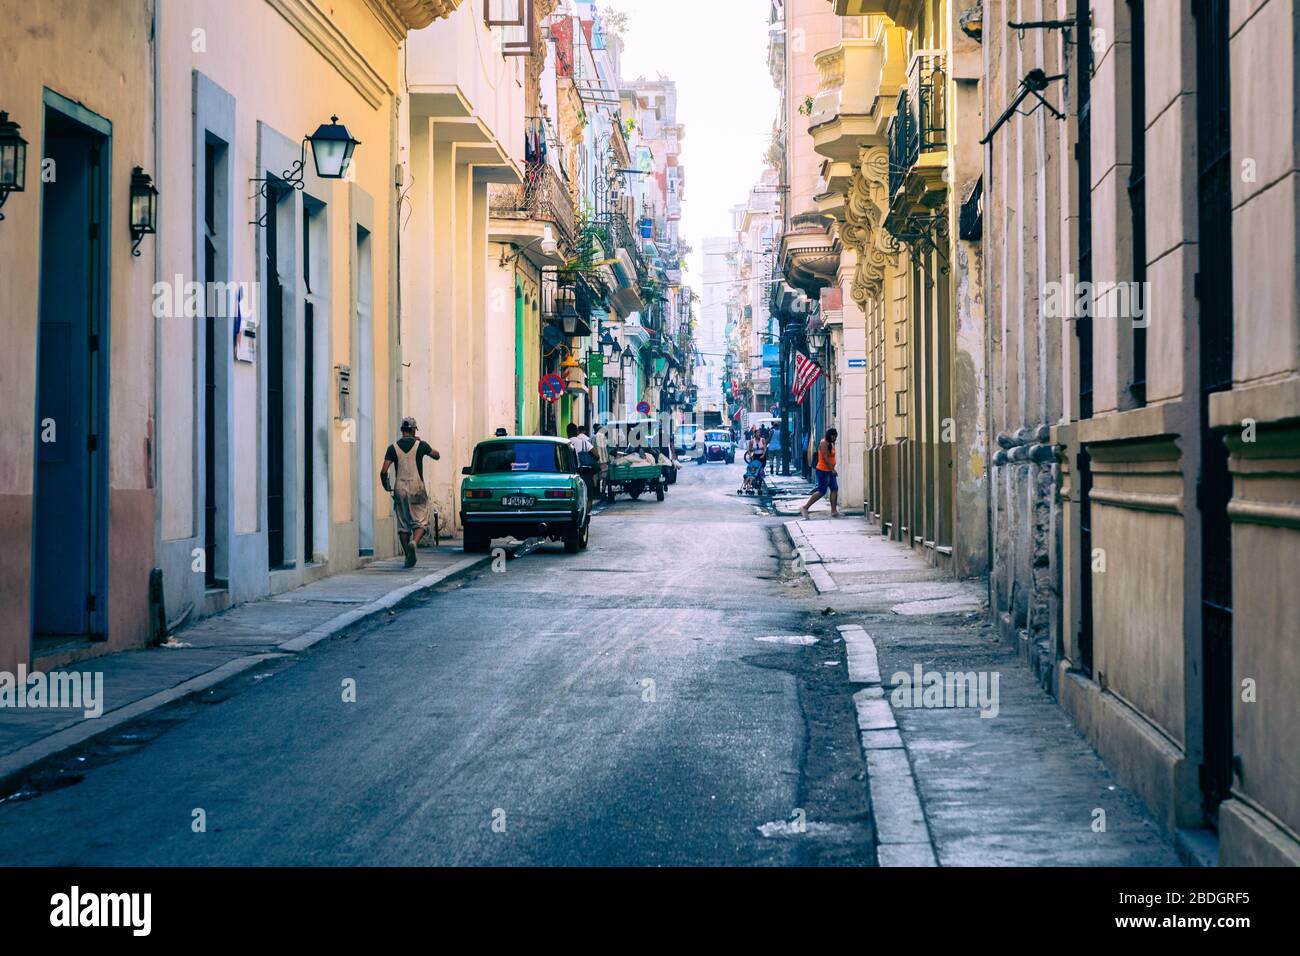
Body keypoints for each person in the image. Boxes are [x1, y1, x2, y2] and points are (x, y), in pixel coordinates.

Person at [380, 416, 440, 567]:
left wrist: (385, 485)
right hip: (417, 488)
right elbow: (436, 455)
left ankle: (408, 555)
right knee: (420, 522)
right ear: (413, 430)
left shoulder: (392, 448)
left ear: (402, 430)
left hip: (400, 488)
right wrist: (423, 444)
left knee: (402, 524)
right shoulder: (420, 445)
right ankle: (414, 542)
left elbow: (384, 471)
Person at [800, 427, 840, 519]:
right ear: (830, 435)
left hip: (829, 470)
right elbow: (825, 458)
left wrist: (832, 469)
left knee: (834, 488)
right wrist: (832, 469)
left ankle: (834, 510)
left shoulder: (830, 443)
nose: (835, 438)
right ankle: (805, 507)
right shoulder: (823, 443)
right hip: (823, 470)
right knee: (822, 491)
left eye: (835, 437)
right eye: (834, 436)